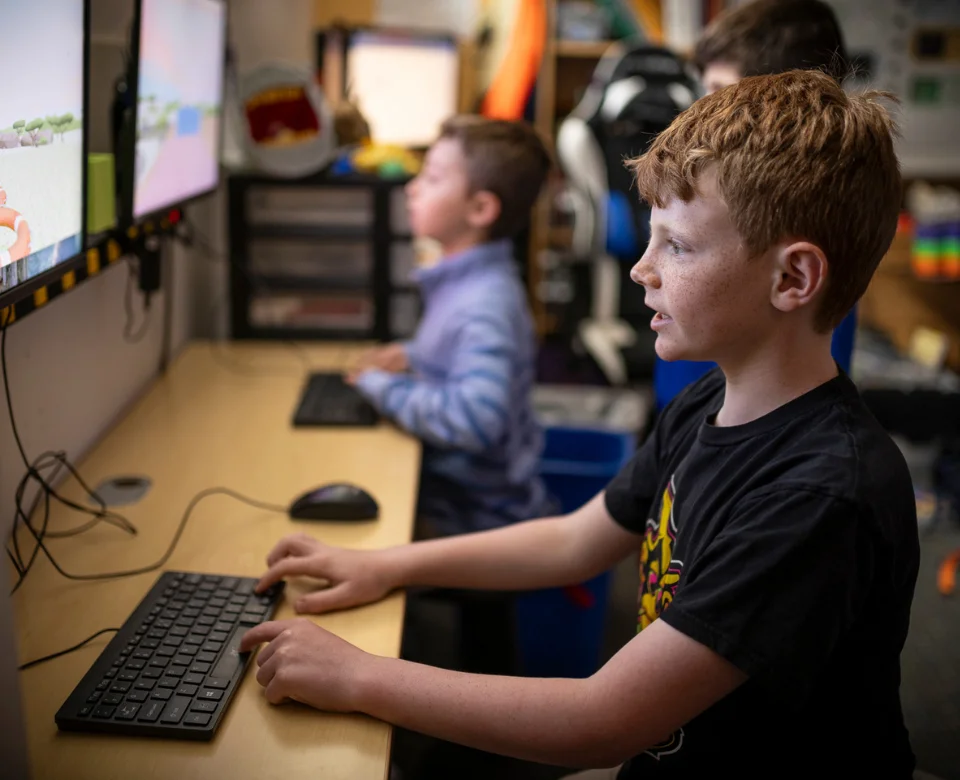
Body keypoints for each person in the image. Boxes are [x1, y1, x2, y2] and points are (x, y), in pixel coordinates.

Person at [241, 70, 919, 779]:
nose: (642, 271)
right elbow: (574, 541)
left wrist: (359, 677)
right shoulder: (705, 404)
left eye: (677, 247)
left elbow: (599, 722)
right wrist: (381, 565)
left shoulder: (820, 496)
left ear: (792, 280)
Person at [347, 115, 552, 537]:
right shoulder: (465, 281)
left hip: (475, 516)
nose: (412, 187)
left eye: (433, 177)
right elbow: (457, 360)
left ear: (480, 209)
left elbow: (475, 419)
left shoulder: (484, 304)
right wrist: (413, 356)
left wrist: (380, 387)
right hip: (457, 495)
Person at [654, 0, 858, 409]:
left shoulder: (805, 208)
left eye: (717, 93)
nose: (700, 113)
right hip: (689, 411)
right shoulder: (714, 187)